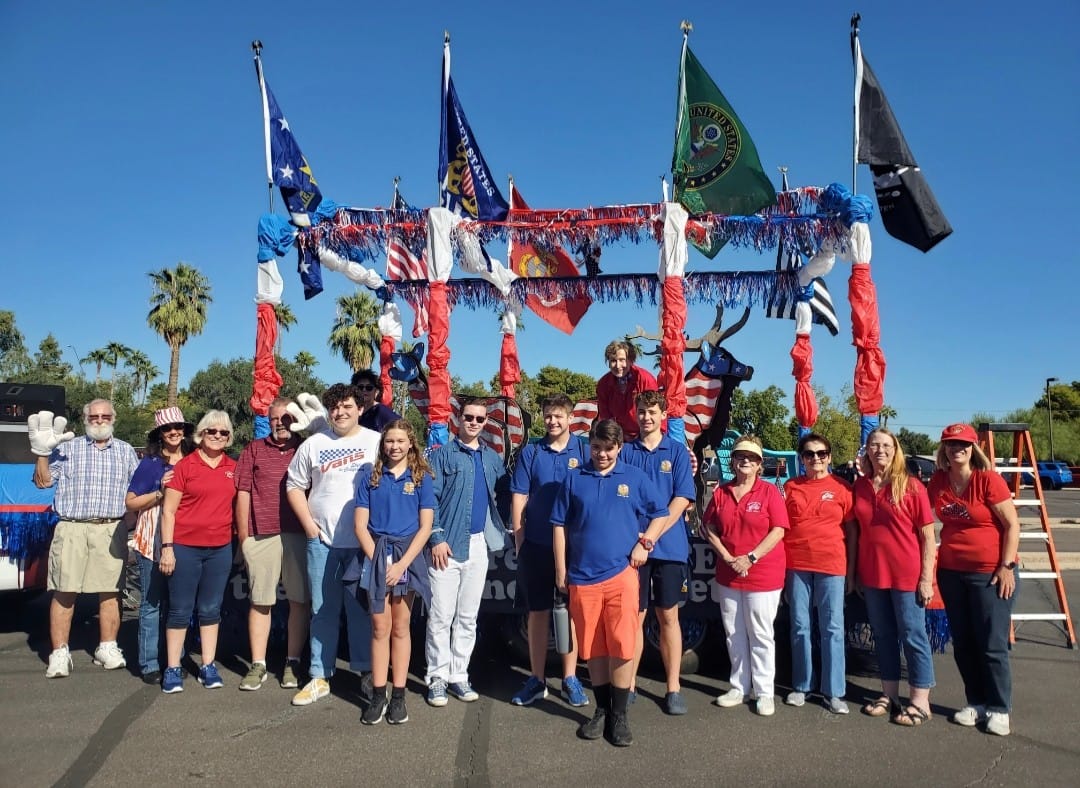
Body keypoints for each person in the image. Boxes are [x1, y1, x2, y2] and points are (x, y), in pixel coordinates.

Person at [552, 419, 669, 747]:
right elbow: (559, 525)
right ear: (589, 445)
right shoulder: (574, 478)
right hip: (581, 577)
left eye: (609, 448)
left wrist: (645, 543)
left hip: (621, 575)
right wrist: (560, 568)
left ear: (619, 448)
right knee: (594, 648)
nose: (602, 454)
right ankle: (601, 710)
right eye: (596, 447)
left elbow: (660, 513)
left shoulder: (633, 477)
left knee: (621, 645)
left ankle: (619, 715)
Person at [30, 399, 139, 678]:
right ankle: (59, 653)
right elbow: (42, 481)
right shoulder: (67, 448)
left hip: (110, 528)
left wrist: (130, 523)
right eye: (94, 416)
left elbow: (135, 494)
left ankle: (107, 647)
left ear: (113, 418)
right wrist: (42, 452)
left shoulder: (126, 451)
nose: (100, 420)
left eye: (105, 416)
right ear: (85, 418)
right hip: (72, 527)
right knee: (65, 591)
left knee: (110, 592)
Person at [286, 383, 380, 706]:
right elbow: (294, 486)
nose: (340, 412)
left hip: (363, 544)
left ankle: (368, 675)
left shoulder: (376, 442)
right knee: (322, 609)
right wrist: (310, 528)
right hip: (322, 542)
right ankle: (319, 675)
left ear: (360, 409)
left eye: (347, 406)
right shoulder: (314, 444)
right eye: (335, 408)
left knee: (362, 611)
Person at [927, 423, 1020, 737]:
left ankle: (999, 707)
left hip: (990, 573)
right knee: (964, 642)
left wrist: (1006, 566)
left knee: (992, 643)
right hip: (952, 572)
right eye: (952, 444)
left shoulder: (987, 480)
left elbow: (1012, 525)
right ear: (944, 449)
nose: (958, 449)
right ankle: (976, 701)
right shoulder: (938, 481)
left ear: (973, 447)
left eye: (963, 444)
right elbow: (920, 513)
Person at [425, 397, 510, 707]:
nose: (474, 423)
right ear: (457, 419)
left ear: (485, 423)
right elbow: (429, 498)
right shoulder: (442, 455)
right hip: (446, 544)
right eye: (469, 417)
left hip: (478, 544)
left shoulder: (492, 458)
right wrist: (436, 537)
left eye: (480, 419)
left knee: (467, 617)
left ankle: (459, 675)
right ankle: (437, 676)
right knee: (440, 616)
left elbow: (503, 494)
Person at [508, 394, 590, 708]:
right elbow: (519, 497)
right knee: (538, 613)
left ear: (570, 418)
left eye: (558, 416)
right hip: (538, 544)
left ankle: (570, 678)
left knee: (570, 612)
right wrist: (520, 540)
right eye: (548, 416)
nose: (553, 422)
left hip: (576, 547)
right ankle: (537, 679)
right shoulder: (531, 452)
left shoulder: (583, 449)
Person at [852, 427, 937, 726]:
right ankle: (889, 694)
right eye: (874, 445)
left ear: (895, 449)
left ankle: (920, 701)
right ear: (867, 451)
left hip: (906, 575)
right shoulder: (860, 487)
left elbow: (928, 537)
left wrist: (926, 578)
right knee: (883, 637)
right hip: (873, 576)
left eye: (886, 445)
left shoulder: (911, 486)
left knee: (913, 637)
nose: (880, 451)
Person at [701, 435, 789, 717]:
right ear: (733, 460)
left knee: (760, 633)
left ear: (759, 463)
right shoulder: (722, 492)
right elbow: (708, 528)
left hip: (762, 574)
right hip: (729, 574)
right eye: (740, 457)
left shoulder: (769, 493)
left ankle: (764, 692)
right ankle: (739, 686)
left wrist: (751, 557)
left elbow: (779, 530)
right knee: (734, 632)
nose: (744, 462)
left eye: (751, 458)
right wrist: (727, 557)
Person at [620, 390, 696, 716]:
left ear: (663, 414)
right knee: (633, 618)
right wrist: (637, 538)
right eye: (641, 411)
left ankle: (674, 687)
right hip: (631, 548)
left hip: (668, 547)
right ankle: (629, 684)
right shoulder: (624, 451)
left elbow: (681, 501)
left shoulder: (677, 452)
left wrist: (651, 537)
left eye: (652, 411)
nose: (646, 417)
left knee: (668, 617)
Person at [354, 420, 434, 725]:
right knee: (379, 627)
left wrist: (401, 565)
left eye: (400, 441)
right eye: (389, 441)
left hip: (408, 557)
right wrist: (379, 562)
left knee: (401, 627)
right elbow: (360, 525)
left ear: (410, 443)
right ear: (382, 444)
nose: (395, 446)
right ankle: (378, 695)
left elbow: (425, 526)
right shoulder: (369, 476)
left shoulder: (421, 477)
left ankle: (398, 696)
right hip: (377, 554)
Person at [158, 410, 238, 693]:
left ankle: (207, 664)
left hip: (220, 548)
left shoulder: (233, 467)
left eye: (223, 433)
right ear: (201, 434)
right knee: (180, 610)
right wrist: (167, 548)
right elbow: (168, 511)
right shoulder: (185, 467)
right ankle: (172, 668)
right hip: (184, 547)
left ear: (229, 438)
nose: (217, 436)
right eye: (211, 431)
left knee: (210, 609)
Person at [234, 398, 309, 691]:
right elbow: (243, 494)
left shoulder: (306, 447)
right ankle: (258, 664)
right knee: (260, 601)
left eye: (287, 418)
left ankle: (292, 662)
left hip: (299, 534)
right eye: (276, 418)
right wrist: (244, 539)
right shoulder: (253, 450)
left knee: (299, 601)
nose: (281, 423)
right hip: (261, 534)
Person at [782, 432, 855, 714]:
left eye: (821, 454)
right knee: (800, 626)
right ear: (801, 458)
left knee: (833, 629)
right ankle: (802, 685)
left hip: (832, 565)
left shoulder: (842, 487)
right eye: (810, 454)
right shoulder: (790, 487)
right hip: (797, 565)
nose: (816, 459)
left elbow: (852, 531)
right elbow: (781, 527)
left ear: (830, 457)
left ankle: (834, 692)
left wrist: (852, 571)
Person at [125, 406, 196, 685]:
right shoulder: (151, 464)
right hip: (152, 537)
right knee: (152, 601)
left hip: (188, 536)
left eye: (178, 426)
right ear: (159, 433)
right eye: (167, 428)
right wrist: (159, 493)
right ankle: (149, 662)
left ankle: (174, 661)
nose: (174, 432)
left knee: (179, 604)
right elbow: (130, 502)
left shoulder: (194, 459)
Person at [595, 340, 658, 442]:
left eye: (622, 360)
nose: (618, 365)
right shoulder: (603, 384)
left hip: (646, 434)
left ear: (630, 360)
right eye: (613, 361)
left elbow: (655, 412)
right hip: (619, 437)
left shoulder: (645, 379)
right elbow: (605, 417)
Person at [351, 369, 401, 433]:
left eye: (369, 388)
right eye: (360, 387)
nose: (364, 390)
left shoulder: (381, 411)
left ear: (376, 392)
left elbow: (403, 427)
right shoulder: (352, 412)